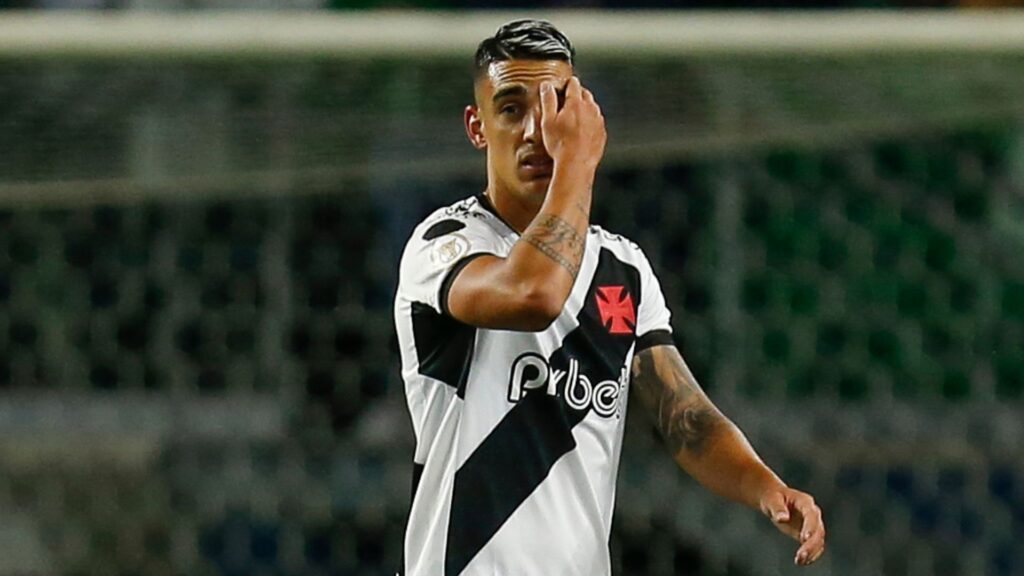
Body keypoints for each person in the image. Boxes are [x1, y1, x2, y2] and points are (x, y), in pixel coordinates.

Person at [393, 19, 826, 576]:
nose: (536, 131)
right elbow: (534, 294)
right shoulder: (445, 244)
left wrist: (766, 488)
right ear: (477, 128)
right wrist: (576, 163)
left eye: (554, 109)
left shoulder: (622, 269)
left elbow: (683, 415)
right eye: (512, 109)